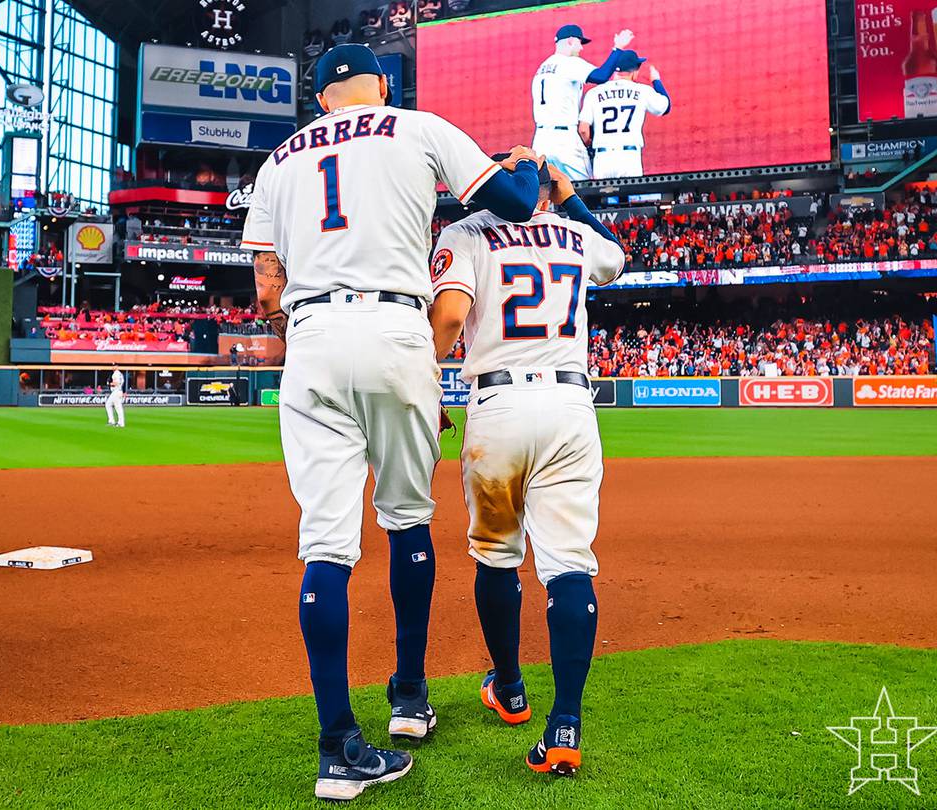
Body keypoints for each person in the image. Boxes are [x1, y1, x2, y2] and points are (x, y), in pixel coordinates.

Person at [238, 42, 545, 802]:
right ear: (383, 85)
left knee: (325, 543)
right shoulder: (417, 126)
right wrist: (528, 166)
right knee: (407, 520)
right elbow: (510, 202)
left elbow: (266, 292)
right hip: (396, 329)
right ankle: (408, 700)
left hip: (309, 341)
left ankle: (338, 745)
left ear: (320, 98)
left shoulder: (277, 161)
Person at [428, 161, 624, 775]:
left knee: (495, 553)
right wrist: (571, 197)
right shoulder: (574, 233)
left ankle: (510, 687)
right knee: (569, 563)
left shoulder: (466, 232)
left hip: (499, 405)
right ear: (548, 190)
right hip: (570, 404)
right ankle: (565, 722)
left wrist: (427, 377)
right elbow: (616, 257)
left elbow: (453, 317)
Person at [531, 24, 634, 180]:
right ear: (571, 41)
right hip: (565, 142)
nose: (581, 48)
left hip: (540, 141)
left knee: (546, 193)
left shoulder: (542, 68)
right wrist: (617, 48)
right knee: (585, 189)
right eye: (580, 43)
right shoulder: (568, 63)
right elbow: (601, 76)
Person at [578, 50, 671, 180]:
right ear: (635, 72)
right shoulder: (642, 91)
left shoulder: (594, 93)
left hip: (603, 159)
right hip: (629, 158)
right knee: (631, 198)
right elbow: (665, 107)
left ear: (614, 71)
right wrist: (656, 81)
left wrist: (589, 143)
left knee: (601, 197)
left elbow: (583, 129)